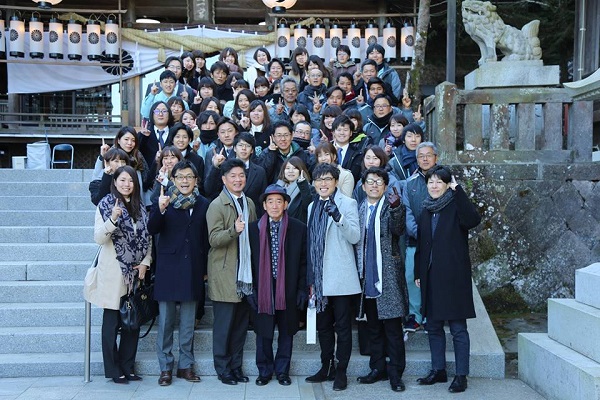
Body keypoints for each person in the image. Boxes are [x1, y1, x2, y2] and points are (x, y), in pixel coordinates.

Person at [415, 165, 481, 393]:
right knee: (432, 326)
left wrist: (457, 190)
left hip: (453, 276)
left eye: (439, 182)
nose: (434, 186)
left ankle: (461, 375)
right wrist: (418, 273)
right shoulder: (425, 209)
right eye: (430, 182)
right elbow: (421, 245)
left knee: (458, 329)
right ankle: (438, 369)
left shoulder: (455, 205)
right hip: (430, 276)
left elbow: (473, 220)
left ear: (446, 184)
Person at [87, 166, 152, 384]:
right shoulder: (105, 205)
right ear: (114, 182)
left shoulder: (140, 207)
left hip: (135, 274)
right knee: (112, 323)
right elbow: (98, 238)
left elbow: (148, 239)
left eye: (131, 181)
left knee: (132, 322)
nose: (127, 184)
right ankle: (115, 370)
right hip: (113, 272)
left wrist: (145, 262)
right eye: (122, 180)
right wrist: (113, 219)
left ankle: (128, 366)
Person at [148, 160, 210, 386]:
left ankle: (185, 366)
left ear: (196, 181)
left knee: (187, 323)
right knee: (165, 322)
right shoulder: (163, 201)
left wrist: (204, 269)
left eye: (189, 177)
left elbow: (205, 238)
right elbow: (151, 229)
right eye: (180, 177)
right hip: (168, 269)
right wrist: (160, 209)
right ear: (173, 180)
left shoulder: (203, 203)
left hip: (193, 267)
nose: (185, 181)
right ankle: (165, 368)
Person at [305, 163, 361, 391]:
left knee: (343, 328)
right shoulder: (311, 206)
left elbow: (355, 236)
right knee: (324, 326)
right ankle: (325, 365)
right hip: (318, 279)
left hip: (341, 277)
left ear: (336, 182)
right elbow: (311, 243)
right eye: (319, 180)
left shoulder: (348, 203)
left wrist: (338, 217)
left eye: (328, 179)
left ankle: (341, 371)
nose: (323, 184)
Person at [248, 184, 308, 387]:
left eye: (279, 201)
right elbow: (247, 261)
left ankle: (282, 371)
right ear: (264, 205)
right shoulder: (253, 229)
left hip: (287, 289)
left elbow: (303, 262)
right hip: (263, 288)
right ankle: (264, 371)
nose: (275, 205)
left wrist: (301, 289)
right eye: (270, 201)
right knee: (263, 332)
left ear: (285, 204)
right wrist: (251, 290)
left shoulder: (298, 228)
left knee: (286, 332)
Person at [354, 167, 408, 392]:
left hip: (387, 275)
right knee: (373, 327)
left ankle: (396, 373)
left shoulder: (391, 206)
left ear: (385, 186)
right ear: (363, 186)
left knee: (393, 329)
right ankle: (377, 368)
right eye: (370, 181)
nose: (374, 185)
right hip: (366, 276)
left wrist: (397, 208)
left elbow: (398, 229)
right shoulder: (359, 208)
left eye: (379, 182)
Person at [207, 158, 257, 385]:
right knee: (224, 327)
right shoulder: (217, 205)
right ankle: (222, 368)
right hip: (226, 274)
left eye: (241, 176)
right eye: (233, 176)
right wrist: (233, 230)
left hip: (246, 275)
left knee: (239, 328)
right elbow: (214, 239)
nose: (238, 180)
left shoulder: (250, 203)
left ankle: (236, 367)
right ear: (224, 179)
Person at [402, 142, 439, 333]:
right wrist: (421, 235)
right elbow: (407, 213)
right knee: (411, 277)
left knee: (435, 279)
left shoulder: (444, 181)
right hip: (415, 240)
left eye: (428, 155)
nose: (425, 159)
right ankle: (415, 315)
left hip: (439, 243)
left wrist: (435, 238)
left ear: (436, 157)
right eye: (421, 156)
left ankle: (432, 314)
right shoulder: (409, 183)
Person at [276, 156, 313, 223]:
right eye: (287, 168)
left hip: (298, 228)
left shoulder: (308, 188)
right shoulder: (277, 188)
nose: (290, 171)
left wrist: (302, 185)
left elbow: (308, 206)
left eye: (295, 168)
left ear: (301, 171)